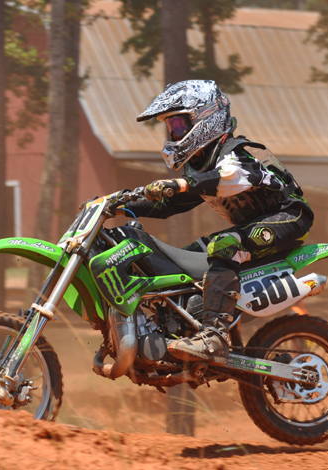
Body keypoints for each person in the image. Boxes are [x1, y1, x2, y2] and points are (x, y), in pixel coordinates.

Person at [120, 80, 314, 361]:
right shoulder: (202, 163)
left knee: (224, 245)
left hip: (289, 218)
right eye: (171, 127)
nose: (174, 133)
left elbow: (231, 177)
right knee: (183, 261)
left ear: (205, 117)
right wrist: (119, 204)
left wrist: (181, 184)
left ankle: (214, 337)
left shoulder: (240, 152)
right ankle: (182, 331)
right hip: (249, 228)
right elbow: (169, 204)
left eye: (179, 124)